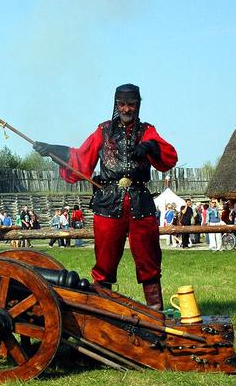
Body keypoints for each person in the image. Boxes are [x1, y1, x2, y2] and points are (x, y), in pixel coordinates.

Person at [33, 83, 177, 310]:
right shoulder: (103, 130)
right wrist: (55, 149)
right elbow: (82, 159)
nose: (127, 109)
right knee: (105, 263)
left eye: (131, 104)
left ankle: (156, 312)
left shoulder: (147, 131)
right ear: (116, 104)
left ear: (138, 105)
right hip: (109, 202)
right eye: (122, 104)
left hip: (140, 203)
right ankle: (104, 312)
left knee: (149, 259)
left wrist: (149, 146)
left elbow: (169, 157)